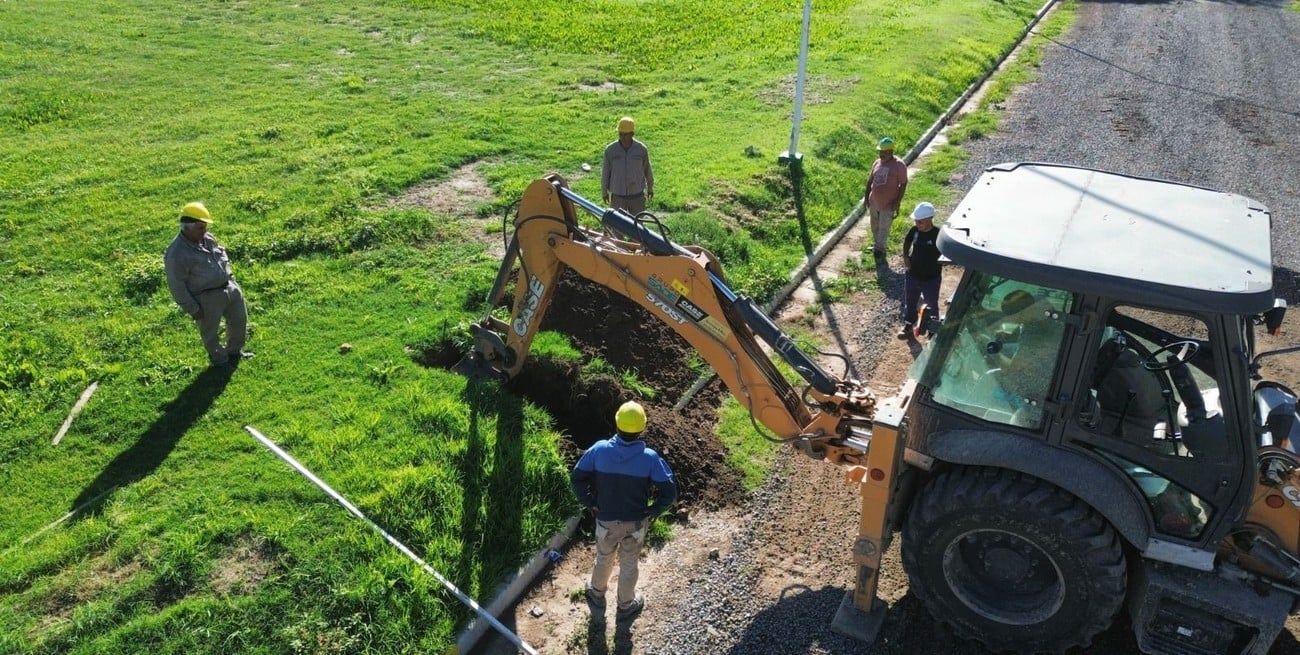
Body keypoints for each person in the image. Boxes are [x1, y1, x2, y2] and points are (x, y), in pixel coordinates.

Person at [570, 401, 677, 622]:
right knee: (629, 563)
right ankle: (626, 605)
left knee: (603, 557)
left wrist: (590, 502)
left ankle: (597, 594)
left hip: (606, 521)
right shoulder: (649, 458)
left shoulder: (599, 450)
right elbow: (669, 491)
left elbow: (577, 477)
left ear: (616, 423)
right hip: (635, 523)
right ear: (642, 428)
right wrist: (653, 510)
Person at [164, 202, 253, 368]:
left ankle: (235, 351)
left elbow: (221, 252)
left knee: (239, 321)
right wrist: (192, 308)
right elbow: (176, 285)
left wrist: (231, 278)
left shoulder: (207, 238)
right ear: (187, 228)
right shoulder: (176, 254)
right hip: (206, 298)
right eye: (200, 227)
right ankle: (219, 360)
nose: (204, 231)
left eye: (204, 227)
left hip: (229, 287)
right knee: (210, 333)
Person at [898, 202, 942, 340]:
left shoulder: (938, 234)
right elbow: (907, 240)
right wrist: (905, 255)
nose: (918, 224)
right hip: (913, 274)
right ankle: (908, 325)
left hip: (931, 278)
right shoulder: (914, 231)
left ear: (930, 219)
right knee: (910, 301)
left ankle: (932, 332)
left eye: (921, 222)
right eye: (916, 221)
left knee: (931, 304)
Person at [864, 136, 909, 261]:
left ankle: (880, 249)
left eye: (883, 152)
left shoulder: (899, 165)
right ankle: (877, 244)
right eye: (880, 152)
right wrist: (866, 198)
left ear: (890, 152)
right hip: (874, 201)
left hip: (888, 203)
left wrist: (897, 202)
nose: (881, 154)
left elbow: (903, 183)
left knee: (884, 226)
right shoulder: (877, 163)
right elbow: (870, 181)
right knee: (874, 225)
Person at [601, 116, 655, 215]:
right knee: (618, 226)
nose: (623, 137)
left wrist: (650, 188)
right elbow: (605, 172)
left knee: (637, 227)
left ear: (632, 134)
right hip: (617, 196)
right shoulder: (610, 150)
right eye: (620, 134)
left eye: (626, 135)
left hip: (637, 196)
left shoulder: (641, 149)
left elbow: (647, 169)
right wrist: (604, 192)